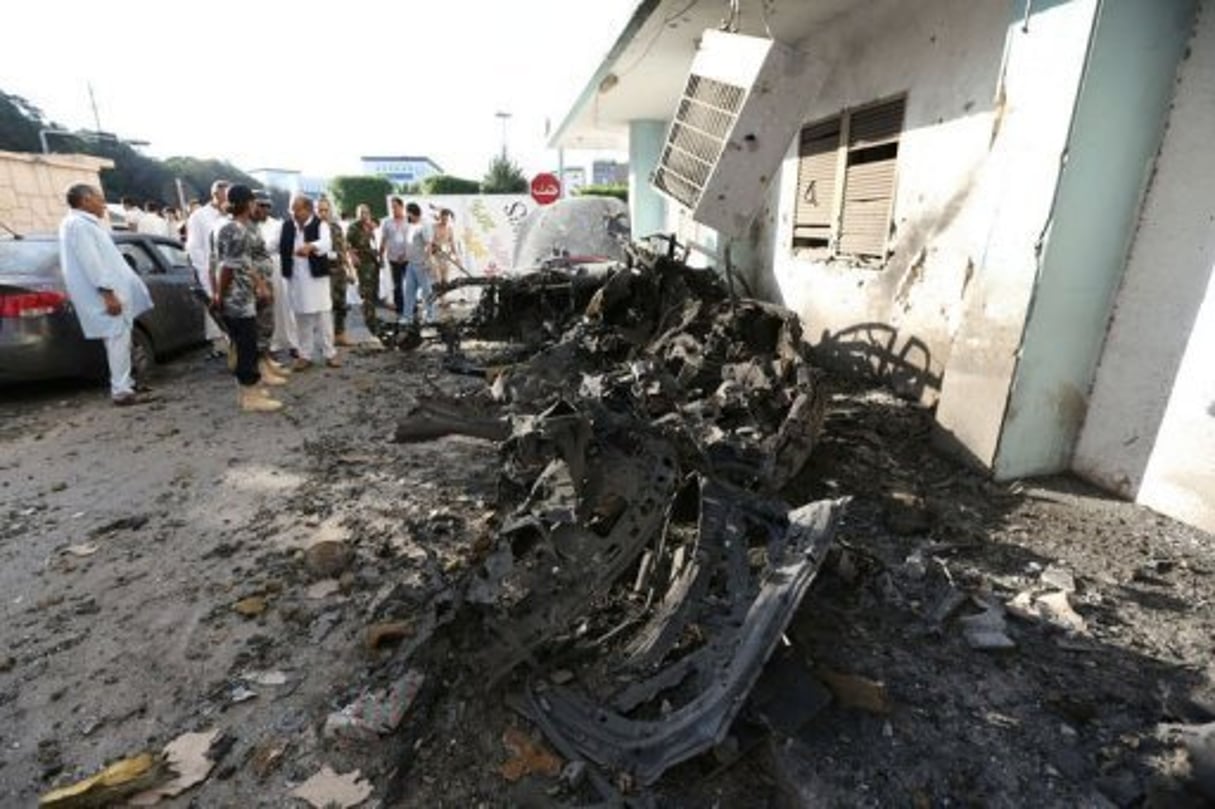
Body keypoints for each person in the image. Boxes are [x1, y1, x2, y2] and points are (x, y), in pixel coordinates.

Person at [57, 183, 155, 406]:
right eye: (99, 199)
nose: (103, 204)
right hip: (104, 295)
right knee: (117, 340)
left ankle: (127, 384)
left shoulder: (82, 224)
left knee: (120, 340)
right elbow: (92, 264)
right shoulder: (78, 225)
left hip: (110, 293)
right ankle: (122, 390)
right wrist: (107, 293)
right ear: (85, 201)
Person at [214, 185, 284, 413]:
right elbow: (228, 267)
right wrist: (220, 294)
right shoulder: (236, 230)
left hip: (243, 296)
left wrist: (259, 284)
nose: (256, 205)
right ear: (247, 203)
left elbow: (243, 263)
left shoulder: (232, 227)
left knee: (245, 343)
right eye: (254, 201)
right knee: (244, 346)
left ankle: (249, 389)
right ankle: (249, 395)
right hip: (237, 299)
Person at [279, 195, 339, 370]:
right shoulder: (287, 225)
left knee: (323, 317)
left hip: (316, 279)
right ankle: (305, 355)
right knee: (301, 318)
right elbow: (274, 245)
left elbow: (327, 243)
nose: (293, 213)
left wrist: (311, 246)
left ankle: (330, 353)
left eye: (296, 209)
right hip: (295, 279)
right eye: (292, 209)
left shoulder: (321, 225)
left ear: (308, 210)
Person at [185, 180, 230, 356]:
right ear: (215, 195)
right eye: (226, 196)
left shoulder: (230, 215)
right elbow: (195, 249)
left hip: (232, 273)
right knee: (218, 317)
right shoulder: (199, 216)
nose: (229, 200)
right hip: (211, 273)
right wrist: (206, 281)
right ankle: (226, 352)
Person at [317, 197, 354, 346]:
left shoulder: (336, 227)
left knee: (341, 304)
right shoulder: (314, 229)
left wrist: (350, 270)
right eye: (320, 210)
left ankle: (340, 334)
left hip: (339, 270)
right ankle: (327, 338)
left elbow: (343, 249)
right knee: (326, 306)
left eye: (326, 210)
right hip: (324, 272)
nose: (323, 213)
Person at [346, 203, 381, 338]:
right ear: (357, 214)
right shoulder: (353, 227)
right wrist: (353, 256)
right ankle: (370, 323)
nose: (364, 215)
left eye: (366, 212)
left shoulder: (371, 226)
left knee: (373, 292)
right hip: (363, 264)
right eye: (361, 212)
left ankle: (372, 317)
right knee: (367, 294)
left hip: (373, 263)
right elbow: (347, 244)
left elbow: (375, 242)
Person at [399, 202, 434, 326]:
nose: (405, 215)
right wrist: (404, 256)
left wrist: (427, 261)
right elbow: (410, 244)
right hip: (411, 264)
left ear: (411, 213)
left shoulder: (424, 225)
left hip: (421, 264)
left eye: (406, 213)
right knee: (408, 291)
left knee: (426, 292)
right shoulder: (411, 225)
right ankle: (407, 317)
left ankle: (430, 316)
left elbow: (428, 244)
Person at [379, 196, 410, 316]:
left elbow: (413, 240)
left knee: (410, 285)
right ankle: (400, 310)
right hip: (393, 258)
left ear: (402, 207)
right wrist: (381, 255)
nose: (393, 209)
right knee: (397, 285)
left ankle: (411, 307)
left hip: (407, 258)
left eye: (395, 207)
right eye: (392, 207)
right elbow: (384, 239)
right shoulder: (387, 222)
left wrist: (406, 253)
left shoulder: (409, 221)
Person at [428, 207, 460, 316]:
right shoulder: (433, 227)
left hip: (445, 256)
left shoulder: (450, 229)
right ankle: (438, 300)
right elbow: (429, 241)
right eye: (443, 218)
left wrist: (456, 257)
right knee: (438, 278)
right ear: (440, 217)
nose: (445, 220)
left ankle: (443, 300)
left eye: (447, 218)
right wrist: (434, 246)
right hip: (435, 255)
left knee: (445, 280)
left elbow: (452, 243)